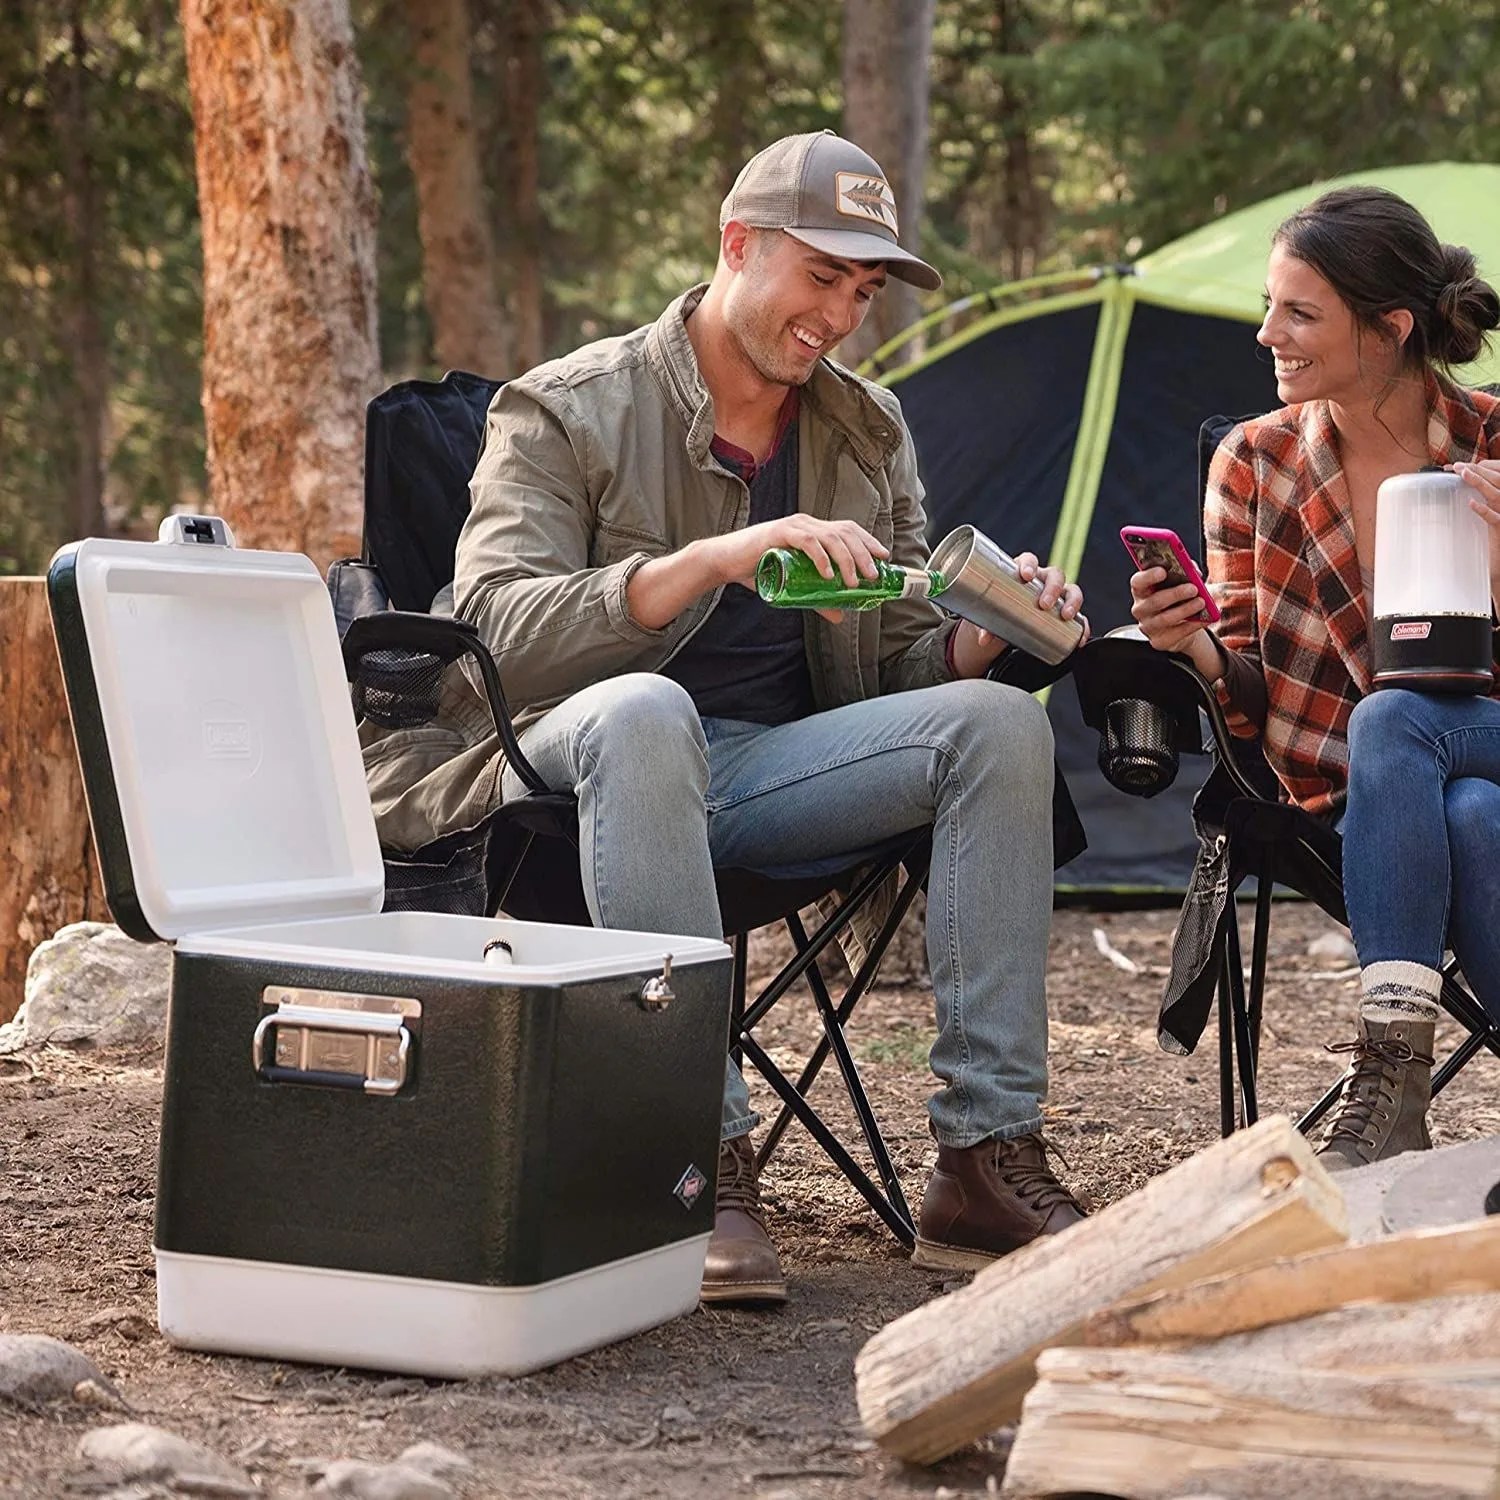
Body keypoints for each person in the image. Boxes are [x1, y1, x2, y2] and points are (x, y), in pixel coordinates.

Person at [367, 130, 1091, 1302]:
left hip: (762, 777)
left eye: (860, 291)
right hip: (564, 764)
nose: (839, 316)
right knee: (648, 712)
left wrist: (980, 637)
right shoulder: (564, 410)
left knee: (996, 725)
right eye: (820, 276)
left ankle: (982, 1159)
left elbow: (895, 674)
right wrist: (710, 560)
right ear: (737, 244)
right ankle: (697, 1159)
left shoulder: (868, 431)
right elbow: (487, 638)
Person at [1131, 185, 1500, 1172]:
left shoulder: (1495, 444)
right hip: (1361, 799)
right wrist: (1195, 649)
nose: (1266, 334)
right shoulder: (1255, 463)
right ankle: (1394, 1092)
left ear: (1389, 329)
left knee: (1397, 722)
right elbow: (1247, 684)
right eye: (1269, 305)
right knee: (1463, 811)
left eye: (1298, 312)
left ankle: (1386, 1089)